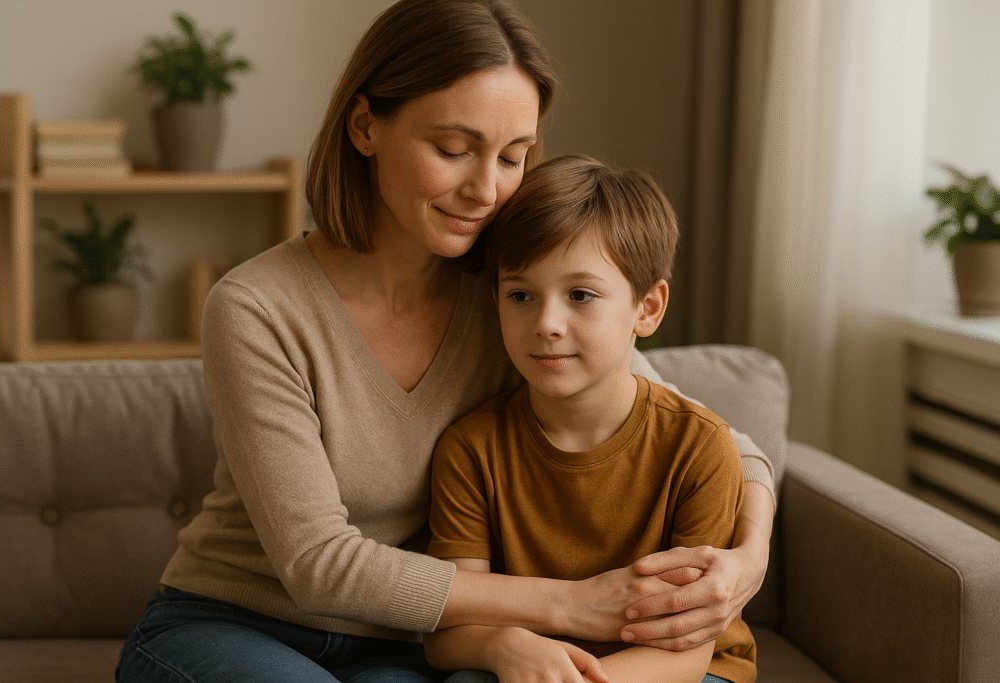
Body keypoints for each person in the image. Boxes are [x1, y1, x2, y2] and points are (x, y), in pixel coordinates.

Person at [116, 1, 774, 681]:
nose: (486, 189)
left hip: (408, 644)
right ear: (365, 127)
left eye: (513, 157)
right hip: (238, 619)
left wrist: (747, 559)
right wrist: (573, 604)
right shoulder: (256, 307)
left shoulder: (514, 296)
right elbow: (317, 564)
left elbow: (715, 440)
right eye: (454, 150)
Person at [423, 155, 755, 683]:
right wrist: (500, 645)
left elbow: (687, 651)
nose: (547, 324)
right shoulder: (471, 448)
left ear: (647, 308)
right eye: (520, 295)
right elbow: (448, 632)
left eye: (580, 295)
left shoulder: (700, 447)